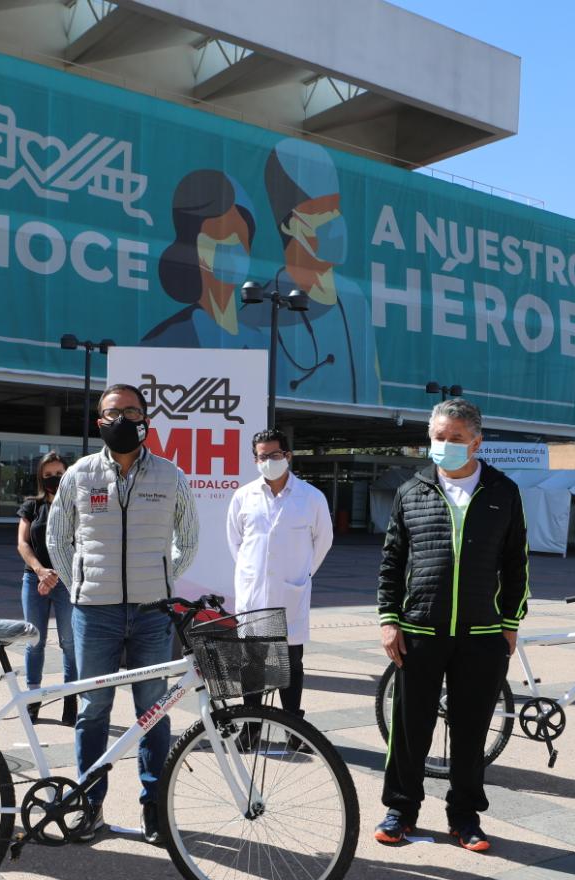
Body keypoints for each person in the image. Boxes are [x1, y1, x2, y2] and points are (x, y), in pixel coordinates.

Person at [47, 383, 199, 846]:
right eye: (114, 413)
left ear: (147, 419)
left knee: (153, 712)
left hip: (154, 615)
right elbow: (57, 539)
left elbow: (188, 539)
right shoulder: (79, 474)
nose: (123, 420)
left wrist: (161, 580)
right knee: (93, 711)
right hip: (94, 614)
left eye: (132, 411)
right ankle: (89, 802)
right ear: (100, 423)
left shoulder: (170, 475)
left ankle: (154, 806)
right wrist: (84, 586)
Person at [375, 397, 528, 852]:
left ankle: (464, 816)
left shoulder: (503, 491)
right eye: (439, 438)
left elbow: (517, 562)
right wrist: (389, 619)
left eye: (456, 439)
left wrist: (510, 621)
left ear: (476, 442)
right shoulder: (412, 490)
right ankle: (401, 810)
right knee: (409, 727)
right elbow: (391, 561)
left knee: (471, 729)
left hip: (482, 635)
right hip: (420, 629)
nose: (445, 446)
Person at [226, 429, 333, 743]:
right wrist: (255, 572)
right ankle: (252, 727)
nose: (269, 461)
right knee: (252, 663)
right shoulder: (243, 496)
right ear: (254, 459)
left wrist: (301, 574)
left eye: (275, 455)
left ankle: (292, 728)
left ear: (288, 456)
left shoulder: (311, 497)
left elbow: (323, 541)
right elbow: (235, 541)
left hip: (291, 592)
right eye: (263, 456)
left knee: (291, 663)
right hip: (254, 593)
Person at [258, 138, 379, 405]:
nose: (336, 218)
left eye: (335, 207)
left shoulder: (355, 299)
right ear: (290, 225)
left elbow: (373, 391)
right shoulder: (261, 310)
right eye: (321, 210)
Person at [141, 170, 263, 350]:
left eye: (239, 241)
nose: (231, 253)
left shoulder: (262, 344)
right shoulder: (162, 342)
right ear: (196, 250)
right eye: (220, 241)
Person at [16, 451, 78, 726]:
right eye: (49, 475)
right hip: (35, 580)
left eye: (59, 474)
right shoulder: (32, 506)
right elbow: (22, 543)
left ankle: (70, 699)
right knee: (34, 642)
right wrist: (41, 571)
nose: (55, 479)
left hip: (67, 582)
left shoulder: (77, 505)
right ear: (41, 477)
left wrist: (60, 573)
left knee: (69, 643)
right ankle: (33, 699)